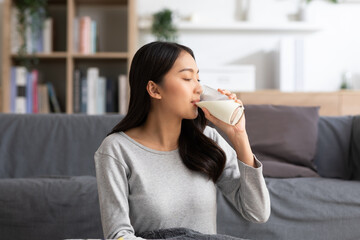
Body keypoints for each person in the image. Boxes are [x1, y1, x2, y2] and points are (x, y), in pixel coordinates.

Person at [94, 41, 271, 240]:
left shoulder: (208, 140)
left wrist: (239, 135)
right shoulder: (116, 150)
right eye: (187, 78)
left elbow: (257, 212)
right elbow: (118, 234)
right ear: (154, 90)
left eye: (198, 78)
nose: (199, 88)